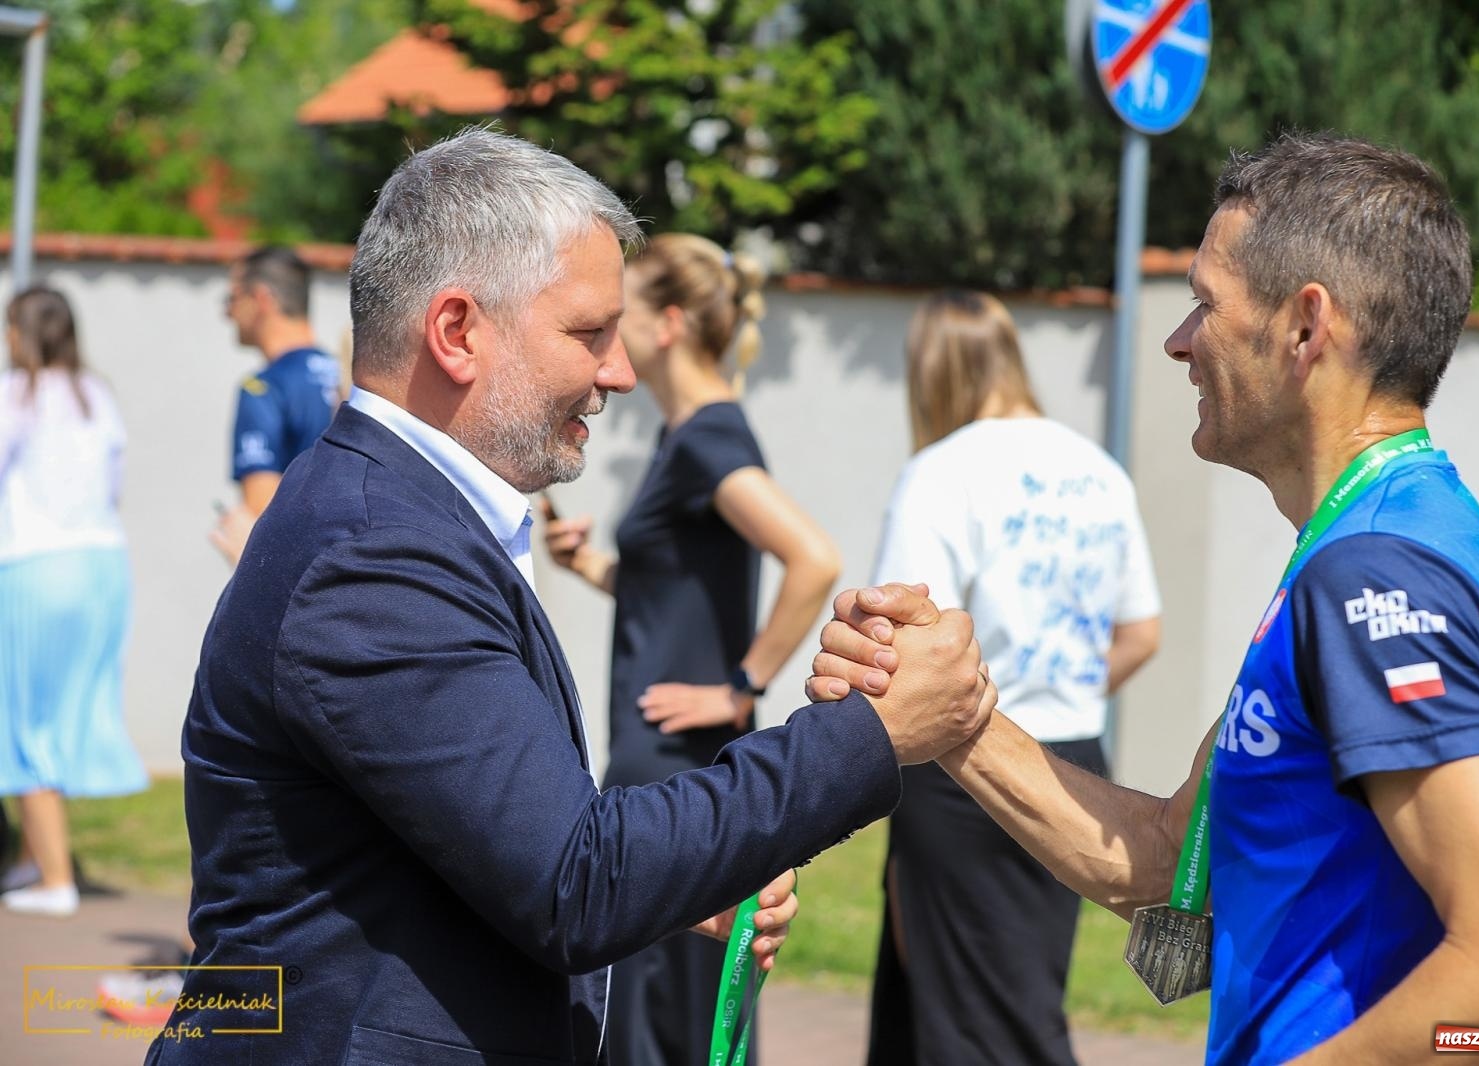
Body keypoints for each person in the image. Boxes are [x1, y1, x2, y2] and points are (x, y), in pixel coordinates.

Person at [152, 128, 996, 1066]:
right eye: (588, 333)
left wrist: (689, 874)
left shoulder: (402, 516)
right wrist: (872, 733)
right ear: (458, 332)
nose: (618, 373)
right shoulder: (373, 553)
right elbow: (576, 882)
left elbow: (504, 842)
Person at [807, 133, 1479, 1065]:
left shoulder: (1375, 575)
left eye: (1205, 306)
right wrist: (957, 718)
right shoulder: (1386, 537)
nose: (1178, 341)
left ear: (1306, 327)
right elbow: (1167, 859)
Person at [541, 233, 842, 1066]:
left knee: (664, 1014)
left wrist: (741, 687)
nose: (607, 335)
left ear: (667, 323)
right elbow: (675, 586)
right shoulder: (690, 435)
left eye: (620, 314)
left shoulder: (709, 436)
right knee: (656, 1004)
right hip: (662, 753)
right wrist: (592, 565)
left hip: (675, 758)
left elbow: (812, 558)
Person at [863, 289, 1161, 1066]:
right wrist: (1060, 686)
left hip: (964, 776)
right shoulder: (1099, 472)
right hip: (1075, 766)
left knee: (970, 1022)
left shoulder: (941, 472)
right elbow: (1141, 632)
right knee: (1013, 995)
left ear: (932, 371)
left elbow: (897, 642)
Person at [0, 286, 147, 917]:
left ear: (22, 333)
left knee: (22, 722)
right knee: (65, 713)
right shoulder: (97, 396)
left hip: (36, 566)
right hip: (103, 566)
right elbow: (112, 487)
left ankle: (54, 880)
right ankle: (33, 861)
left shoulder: (14, 393)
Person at [210, 245, 340, 564]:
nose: (227, 314)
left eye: (232, 299)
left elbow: (263, 517)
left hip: (302, 578)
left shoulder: (262, 389)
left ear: (261, 299)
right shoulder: (348, 378)